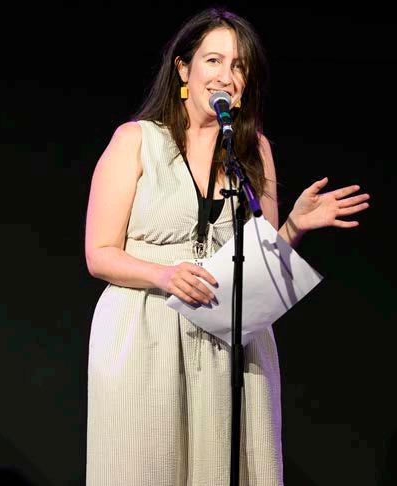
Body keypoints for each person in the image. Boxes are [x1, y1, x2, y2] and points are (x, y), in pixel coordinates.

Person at [84, 7, 369, 486]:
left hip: (227, 339)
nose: (226, 76)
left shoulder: (253, 149)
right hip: (144, 334)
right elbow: (99, 252)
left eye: (238, 66)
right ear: (184, 69)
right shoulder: (136, 140)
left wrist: (294, 226)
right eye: (213, 60)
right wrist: (164, 274)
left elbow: (259, 264)